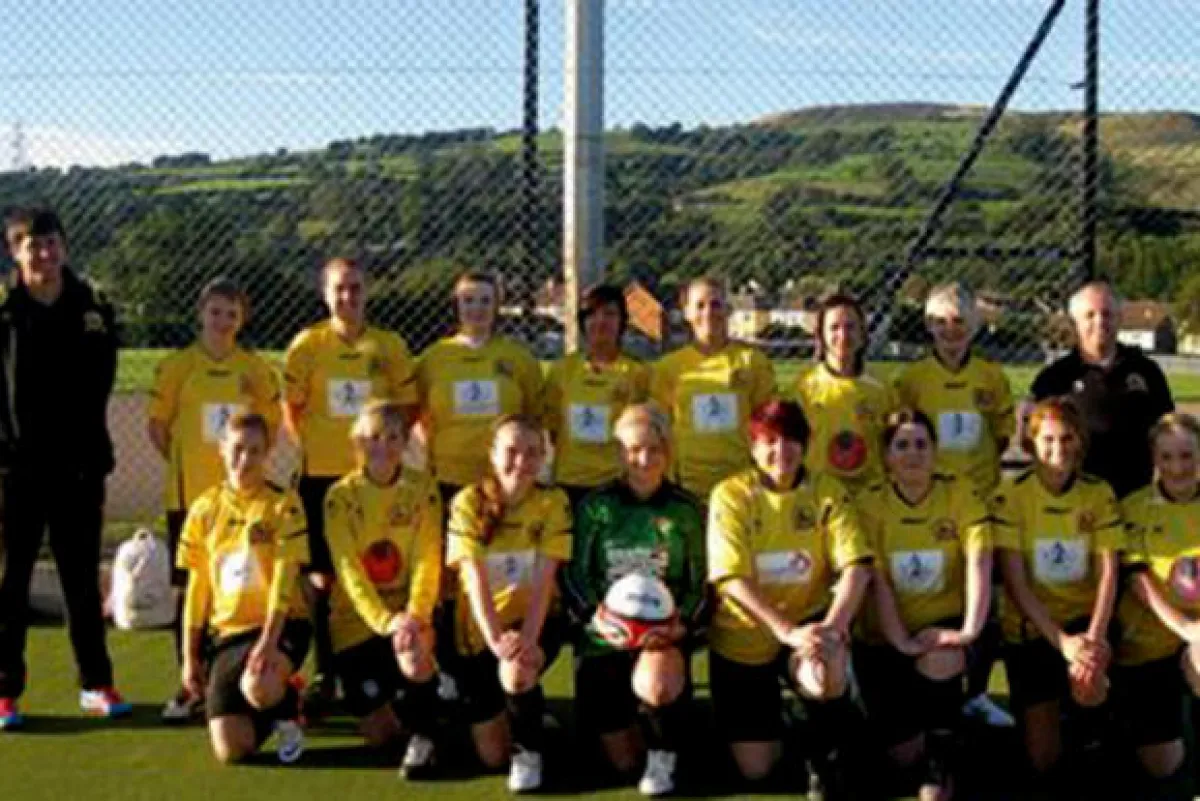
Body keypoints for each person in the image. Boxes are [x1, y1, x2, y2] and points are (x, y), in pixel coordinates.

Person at [0, 207, 129, 729]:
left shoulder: (92, 306)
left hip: (78, 469)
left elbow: (103, 380)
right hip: (15, 471)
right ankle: (4, 690)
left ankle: (95, 684)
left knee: (81, 580)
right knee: (11, 581)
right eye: (33, 245)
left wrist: (87, 451)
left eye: (52, 243)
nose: (45, 254)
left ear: (65, 247)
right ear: (14, 252)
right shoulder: (4, 310)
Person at [707, 399, 873, 797]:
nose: (781, 451)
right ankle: (787, 716)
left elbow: (857, 566)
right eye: (770, 441)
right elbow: (731, 580)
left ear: (806, 444)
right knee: (756, 769)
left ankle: (823, 751)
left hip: (808, 627)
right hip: (744, 639)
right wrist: (784, 630)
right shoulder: (730, 495)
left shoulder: (827, 492)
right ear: (752, 447)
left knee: (823, 673)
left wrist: (832, 628)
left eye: (791, 440)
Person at [283, 256, 418, 714]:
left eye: (356, 287)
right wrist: (318, 448)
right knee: (322, 578)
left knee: (380, 567)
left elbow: (407, 408)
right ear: (325, 294)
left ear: (367, 291)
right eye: (339, 288)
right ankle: (327, 672)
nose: (349, 296)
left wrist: (384, 455)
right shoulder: (308, 345)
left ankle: (393, 664)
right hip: (322, 477)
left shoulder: (389, 345)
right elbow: (292, 409)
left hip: (375, 480)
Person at [148, 276, 282, 722]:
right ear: (200, 313)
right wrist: (187, 465)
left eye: (232, 314)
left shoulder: (255, 369)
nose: (222, 321)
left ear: (242, 320)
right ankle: (190, 683)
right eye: (215, 312)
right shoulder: (177, 366)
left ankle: (239, 679)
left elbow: (272, 425)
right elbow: (158, 427)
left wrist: (244, 471)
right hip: (191, 498)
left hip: (242, 499)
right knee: (191, 590)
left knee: (240, 584)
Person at [563, 403, 705, 797]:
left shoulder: (687, 510)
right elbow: (575, 573)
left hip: (663, 635)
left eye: (653, 449)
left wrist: (679, 626)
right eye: (632, 450)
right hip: (605, 634)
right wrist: (595, 618)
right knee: (622, 762)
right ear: (618, 454)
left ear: (667, 451)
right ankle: (644, 725)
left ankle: (663, 754)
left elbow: (701, 582)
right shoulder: (595, 507)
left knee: (657, 687)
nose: (643, 459)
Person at [893, 282, 1014, 728]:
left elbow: (1000, 436)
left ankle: (976, 693)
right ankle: (918, 687)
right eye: (940, 321)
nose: (950, 329)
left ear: (975, 325)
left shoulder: (991, 377)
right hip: (930, 504)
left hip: (979, 505)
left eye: (960, 320)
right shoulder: (911, 380)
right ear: (928, 325)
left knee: (985, 603)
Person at [855, 409, 993, 801]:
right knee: (900, 757)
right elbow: (878, 580)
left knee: (941, 658)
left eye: (921, 444)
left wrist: (968, 631)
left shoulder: (959, 493)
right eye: (901, 445)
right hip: (885, 638)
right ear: (887, 456)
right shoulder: (870, 502)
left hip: (943, 628)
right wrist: (901, 641)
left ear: (935, 451)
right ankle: (947, 733)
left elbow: (980, 561)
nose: (912, 453)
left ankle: (941, 755)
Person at [992, 397, 1122, 788]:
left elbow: (1108, 573)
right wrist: (1062, 642)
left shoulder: (1098, 493)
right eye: (1047, 440)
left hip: (1085, 624)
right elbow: (1015, 583)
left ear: (1080, 441)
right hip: (1034, 630)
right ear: (1031, 443)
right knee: (1043, 760)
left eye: (1067, 438)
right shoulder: (1012, 495)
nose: (1058, 449)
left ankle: (1094, 734)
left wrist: (1094, 639)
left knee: (1089, 681)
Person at [445, 414, 571, 793]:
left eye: (533, 453)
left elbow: (545, 581)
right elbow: (475, 582)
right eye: (512, 451)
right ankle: (519, 705)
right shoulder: (468, 502)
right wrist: (497, 639)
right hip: (482, 632)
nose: (522, 461)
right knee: (491, 756)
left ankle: (528, 752)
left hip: (535, 622)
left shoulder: (552, 502)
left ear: (544, 457)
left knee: (516, 672)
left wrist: (527, 640)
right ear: (492, 453)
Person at [176, 413, 310, 764]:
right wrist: (190, 656)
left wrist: (268, 643)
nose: (244, 459)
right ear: (221, 448)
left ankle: (284, 704)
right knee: (232, 750)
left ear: (267, 454)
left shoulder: (284, 504)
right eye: (237, 449)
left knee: (259, 685)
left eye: (254, 451)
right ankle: (274, 702)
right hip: (229, 635)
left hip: (281, 626)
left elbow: (284, 580)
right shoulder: (204, 509)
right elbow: (197, 590)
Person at [323, 401, 443, 777]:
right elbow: (348, 571)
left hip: (408, 614)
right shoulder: (340, 496)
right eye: (373, 437)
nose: (383, 446)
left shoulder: (423, 488)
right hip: (358, 621)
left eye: (393, 437)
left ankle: (425, 737)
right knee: (380, 736)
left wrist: (415, 615)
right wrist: (384, 621)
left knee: (413, 653)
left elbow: (427, 559)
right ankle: (423, 700)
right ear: (358, 441)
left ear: (406, 442)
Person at [1113, 413, 1200, 796]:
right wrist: (1186, 627)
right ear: (1154, 459)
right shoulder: (1135, 508)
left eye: (1187, 455)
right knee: (1161, 765)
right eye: (1167, 457)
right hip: (1146, 647)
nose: (1177, 467)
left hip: (1197, 642)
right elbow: (1138, 582)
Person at [1030, 281, 1173, 498]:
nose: (1100, 322)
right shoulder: (1054, 378)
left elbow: (1167, 431)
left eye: (1107, 314)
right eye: (1090, 315)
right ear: (1075, 323)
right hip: (1074, 500)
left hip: (1133, 496)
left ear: (1119, 319)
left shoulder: (1146, 371)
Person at [416, 271, 543, 502]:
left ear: (496, 307)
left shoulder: (519, 358)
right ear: (456, 305)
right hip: (448, 475)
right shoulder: (433, 358)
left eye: (486, 301)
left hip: (505, 476)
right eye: (468, 300)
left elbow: (534, 415)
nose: (477, 308)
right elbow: (417, 413)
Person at [650, 277, 775, 501]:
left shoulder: (752, 362)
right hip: (687, 486)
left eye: (716, 304)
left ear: (728, 310)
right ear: (686, 313)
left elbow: (768, 426)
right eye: (700, 305)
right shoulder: (669, 368)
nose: (708, 312)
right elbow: (659, 429)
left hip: (741, 486)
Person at [543, 285, 650, 509]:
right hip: (570, 481)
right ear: (582, 322)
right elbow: (552, 427)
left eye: (610, 314)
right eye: (592, 314)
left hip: (616, 482)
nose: (601, 321)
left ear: (622, 322)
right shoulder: (562, 370)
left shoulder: (638, 373)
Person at [794, 292, 896, 495]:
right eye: (834, 327)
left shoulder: (882, 388)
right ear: (821, 335)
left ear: (862, 333)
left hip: (870, 495)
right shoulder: (804, 388)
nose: (843, 335)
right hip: (821, 496)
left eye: (850, 327)